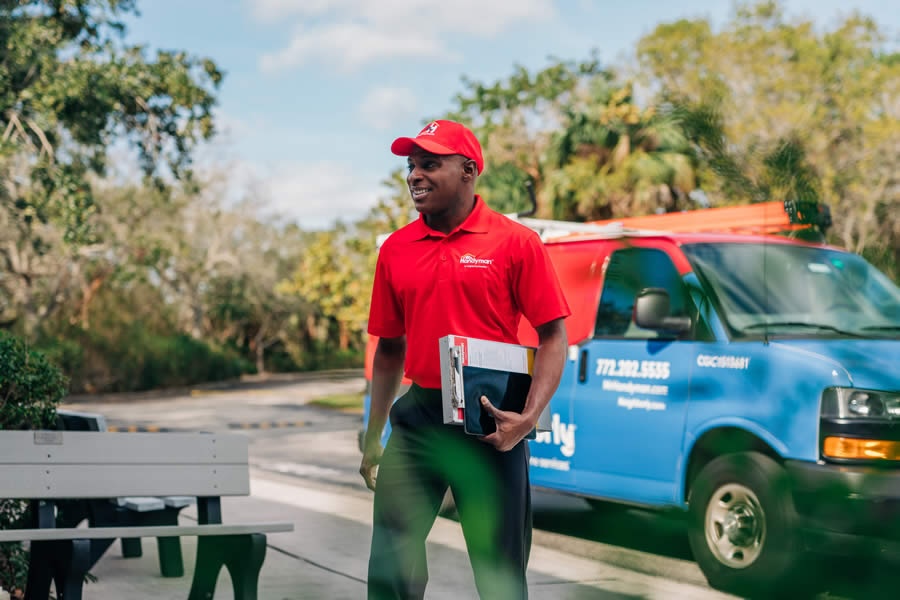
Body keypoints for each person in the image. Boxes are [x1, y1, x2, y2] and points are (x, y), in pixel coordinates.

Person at [359, 119, 570, 600]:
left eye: (430, 164)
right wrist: (374, 437)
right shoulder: (395, 250)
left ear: (469, 170)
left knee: (499, 576)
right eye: (411, 166)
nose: (414, 175)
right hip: (417, 425)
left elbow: (554, 336)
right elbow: (390, 348)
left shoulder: (515, 242)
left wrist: (528, 418)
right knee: (390, 572)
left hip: (490, 427)